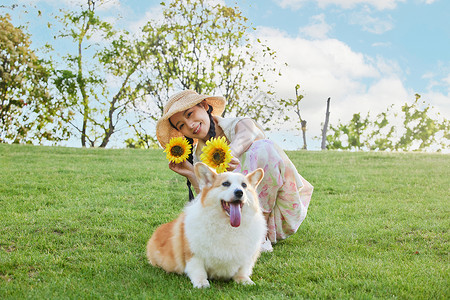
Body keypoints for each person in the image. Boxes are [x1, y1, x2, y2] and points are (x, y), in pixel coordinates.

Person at [156, 90, 313, 252]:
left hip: (278, 214)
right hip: (236, 224)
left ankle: (261, 235)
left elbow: (246, 135)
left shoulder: (240, 124)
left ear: (204, 106)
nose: (189, 125)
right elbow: (208, 202)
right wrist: (190, 172)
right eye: (181, 125)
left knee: (265, 147)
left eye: (189, 114)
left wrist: (230, 153)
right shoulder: (199, 157)